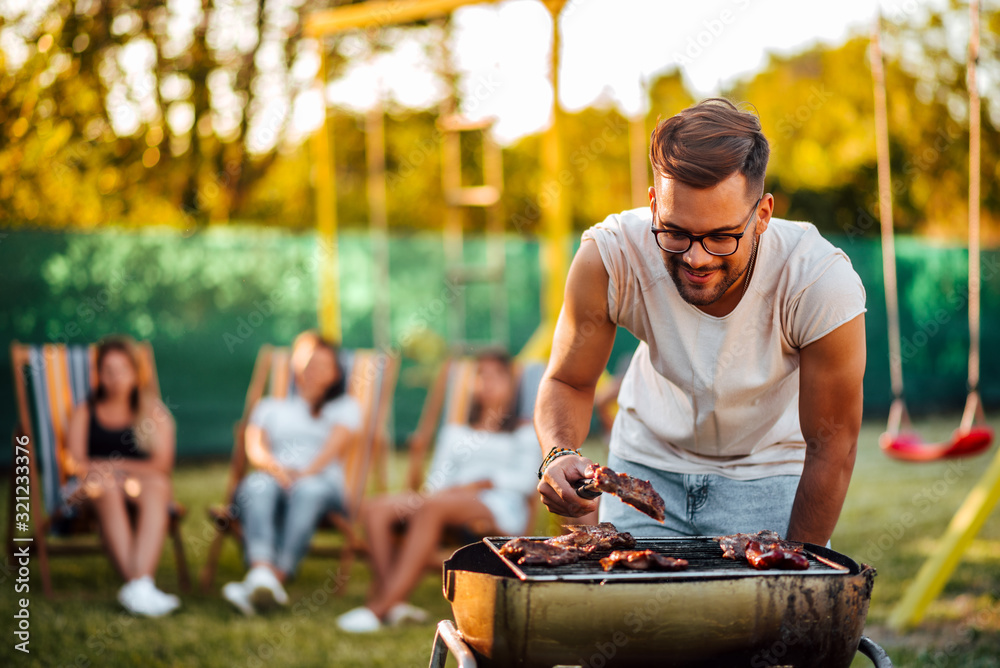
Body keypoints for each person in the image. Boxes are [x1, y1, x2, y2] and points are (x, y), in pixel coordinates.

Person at [535, 99, 867, 546]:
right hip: (645, 467)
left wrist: (797, 572)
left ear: (762, 216)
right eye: (675, 232)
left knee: (773, 615)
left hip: (768, 474)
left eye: (721, 237)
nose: (696, 257)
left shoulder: (819, 281)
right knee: (633, 614)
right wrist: (558, 452)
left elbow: (833, 445)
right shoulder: (610, 257)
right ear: (654, 206)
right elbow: (568, 381)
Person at [337, 349, 540, 633]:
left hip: (498, 504)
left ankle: (378, 608)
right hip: (448, 499)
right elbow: (437, 482)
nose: (487, 382)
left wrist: (480, 484)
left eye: (497, 375)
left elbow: (525, 482)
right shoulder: (455, 432)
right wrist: (437, 494)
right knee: (375, 508)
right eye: (481, 375)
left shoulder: (524, 432)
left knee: (434, 507)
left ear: (511, 383)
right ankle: (394, 601)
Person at [221, 331, 361, 616]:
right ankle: (262, 573)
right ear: (296, 366)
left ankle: (276, 577)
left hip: (321, 483)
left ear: (336, 374)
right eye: (309, 363)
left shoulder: (345, 408)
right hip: (275, 475)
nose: (314, 371)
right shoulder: (270, 406)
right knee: (257, 485)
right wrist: (277, 470)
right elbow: (255, 447)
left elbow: (332, 450)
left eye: (323, 366)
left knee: (307, 490)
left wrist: (300, 476)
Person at [65, 335, 180, 617]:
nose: (115, 378)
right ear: (98, 374)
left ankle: (138, 585)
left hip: (137, 486)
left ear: (136, 372)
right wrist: (105, 472)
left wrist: (116, 467)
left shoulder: (151, 411)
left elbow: (162, 464)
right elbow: (74, 462)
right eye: (108, 371)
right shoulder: (85, 411)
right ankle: (140, 584)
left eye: (123, 370)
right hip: (92, 490)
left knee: (157, 485)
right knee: (106, 487)